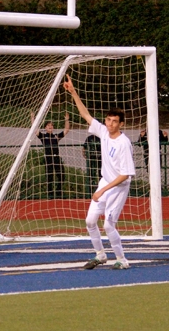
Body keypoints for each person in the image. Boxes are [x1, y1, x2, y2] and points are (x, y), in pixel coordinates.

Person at [63, 75, 135, 270]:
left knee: (109, 225)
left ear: (121, 124)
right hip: (106, 182)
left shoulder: (124, 143)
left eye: (115, 121)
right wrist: (73, 92)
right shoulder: (103, 131)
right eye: (109, 120)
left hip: (118, 187)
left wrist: (102, 190)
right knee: (90, 220)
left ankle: (122, 259)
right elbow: (85, 115)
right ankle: (100, 255)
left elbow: (125, 175)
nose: (111, 124)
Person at [32, 112, 70, 199]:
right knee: (49, 177)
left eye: (52, 125)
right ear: (45, 128)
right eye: (48, 125)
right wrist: (33, 118)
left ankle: (58, 192)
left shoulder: (56, 136)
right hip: (48, 159)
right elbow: (35, 130)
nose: (50, 126)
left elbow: (66, 130)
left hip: (56, 158)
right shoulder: (43, 136)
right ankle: (50, 194)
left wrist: (67, 120)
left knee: (61, 175)